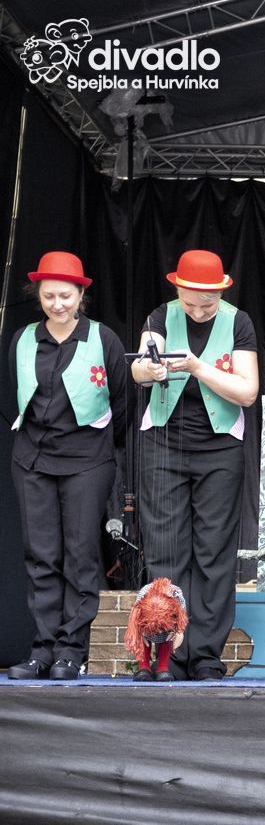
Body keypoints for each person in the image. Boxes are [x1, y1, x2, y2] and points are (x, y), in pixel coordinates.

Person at [130, 250, 260, 680]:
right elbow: (139, 368)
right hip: (164, 444)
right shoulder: (160, 316)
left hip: (219, 447)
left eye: (208, 303)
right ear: (178, 290)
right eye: (190, 303)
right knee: (166, 550)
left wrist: (198, 367)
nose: (199, 311)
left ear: (221, 292)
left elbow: (247, 392)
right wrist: (151, 369)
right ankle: (163, 654)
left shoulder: (238, 322)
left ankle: (204, 655)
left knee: (213, 553)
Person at [7, 252, 127, 680]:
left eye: (65, 295)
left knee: (80, 555)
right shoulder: (23, 339)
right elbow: (19, 391)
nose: (57, 304)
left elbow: (121, 403)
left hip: (87, 460)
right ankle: (42, 649)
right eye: (49, 296)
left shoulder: (103, 338)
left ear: (80, 295)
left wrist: (98, 444)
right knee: (40, 556)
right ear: (38, 295)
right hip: (32, 458)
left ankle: (70, 652)